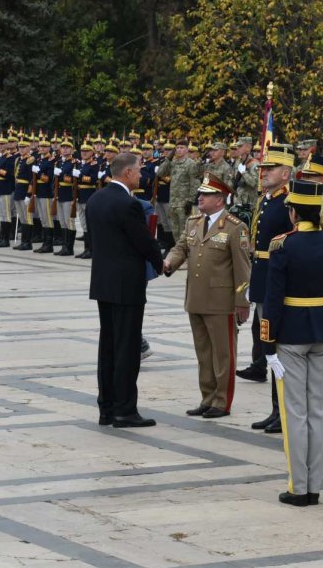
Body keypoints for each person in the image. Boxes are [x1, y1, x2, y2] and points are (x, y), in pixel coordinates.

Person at [261, 179, 323, 506]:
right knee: (319, 411)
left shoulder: (282, 245)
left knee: (295, 413)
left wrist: (268, 346)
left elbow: (273, 300)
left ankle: (299, 487)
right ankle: (316, 485)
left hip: (291, 334)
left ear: (293, 211)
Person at [87, 152, 166, 428]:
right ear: (128, 173)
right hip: (127, 285)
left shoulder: (96, 199)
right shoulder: (127, 204)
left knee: (107, 347)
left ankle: (106, 408)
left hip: (103, 284)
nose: (142, 175)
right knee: (127, 348)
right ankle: (124, 410)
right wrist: (161, 264)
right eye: (139, 170)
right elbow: (143, 242)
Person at [164, 173, 252, 419]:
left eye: (206, 194)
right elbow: (181, 247)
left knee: (223, 354)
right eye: (201, 194)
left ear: (220, 199)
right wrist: (169, 262)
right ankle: (207, 397)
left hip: (221, 301)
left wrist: (242, 302)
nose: (200, 198)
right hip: (196, 298)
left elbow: (243, 268)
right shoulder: (194, 222)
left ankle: (222, 401)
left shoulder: (235, 227)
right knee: (203, 352)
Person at [239, 144, 294, 424]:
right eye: (262, 169)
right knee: (267, 344)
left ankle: (282, 411)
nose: (263, 173)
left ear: (286, 173)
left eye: (270, 169)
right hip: (262, 276)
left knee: (278, 348)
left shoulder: (288, 202)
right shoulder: (268, 199)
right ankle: (275, 411)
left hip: (277, 277)